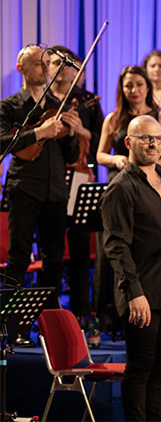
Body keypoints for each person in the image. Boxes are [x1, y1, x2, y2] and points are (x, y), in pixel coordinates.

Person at [101, 115, 161, 421]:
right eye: (145, 138)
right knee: (140, 370)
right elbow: (116, 246)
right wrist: (134, 293)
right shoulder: (121, 188)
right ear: (129, 143)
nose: (153, 143)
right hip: (141, 292)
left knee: (159, 371)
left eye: (158, 138)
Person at [0, 44, 82, 337]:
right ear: (21, 68)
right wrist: (38, 132)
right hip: (23, 188)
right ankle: (12, 329)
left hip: (55, 191)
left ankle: (50, 328)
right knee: (19, 258)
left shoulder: (59, 104)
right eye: (38, 62)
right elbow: (2, 144)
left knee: (54, 261)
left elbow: (71, 155)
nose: (45, 67)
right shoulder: (9, 106)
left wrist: (72, 132)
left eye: (46, 62)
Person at [50, 45, 105, 322]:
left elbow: (102, 139)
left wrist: (80, 130)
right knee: (52, 249)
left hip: (81, 175)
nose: (64, 70)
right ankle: (50, 313)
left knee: (81, 246)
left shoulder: (87, 101)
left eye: (70, 65)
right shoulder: (43, 100)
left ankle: (82, 312)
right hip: (50, 178)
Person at [96, 65, 161, 181]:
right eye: (128, 86)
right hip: (121, 179)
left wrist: (148, 167)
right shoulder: (112, 119)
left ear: (147, 87)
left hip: (152, 179)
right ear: (122, 89)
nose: (134, 90)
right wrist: (115, 159)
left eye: (139, 84)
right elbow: (100, 155)